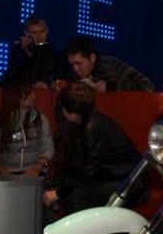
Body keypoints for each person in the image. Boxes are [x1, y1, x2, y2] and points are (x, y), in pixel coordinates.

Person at [42, 82, 143, 213]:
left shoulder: (92, 129)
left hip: (131, 182)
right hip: (121, 178)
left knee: (79, 195)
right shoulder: (90, 122)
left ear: (73, 113)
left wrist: (58, 192)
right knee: (72, 191)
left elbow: (89, 174)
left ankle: (85, 227)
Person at [0, 82, 54, 176]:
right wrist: (6, 174)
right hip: (7, 171)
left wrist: (36, 168)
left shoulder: (40, 119)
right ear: (18, 97)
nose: (35, 96)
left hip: (35, 170)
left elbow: (49, 147)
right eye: (30, 93)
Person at [64, 35, 155, 92]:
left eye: (79, 63)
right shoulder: (73, 75)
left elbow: (146, 86)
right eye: (72, 64)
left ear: (92, 58)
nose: (75, 69)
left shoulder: (110, 66)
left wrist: (110, 86)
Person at [0, 15, 68, 89]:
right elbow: (10, 78)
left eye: (41, 32)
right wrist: (26, 55)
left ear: (47, 31)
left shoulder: (57, 56)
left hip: (47, 94)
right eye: (34, 33)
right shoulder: (19, 54)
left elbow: (61, 80)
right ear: (26, 33)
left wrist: (49, 86)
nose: (38, 36)